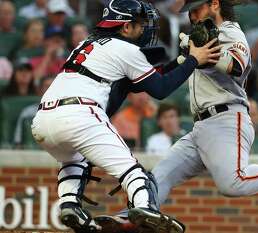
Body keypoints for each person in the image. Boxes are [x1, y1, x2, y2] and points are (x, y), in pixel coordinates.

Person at [102, 0, 258, 231]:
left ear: (214, 4)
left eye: (196, 8)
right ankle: (129, 217)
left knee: (232, 183)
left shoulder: (230, 31)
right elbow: (175, 69)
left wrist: (204, 52)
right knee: (159, 176)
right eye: (190, 11)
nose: (191, 16)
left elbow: (237, 66)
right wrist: (188, 56)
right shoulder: (204, 36)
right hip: (201, 127)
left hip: (226, 119)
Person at [31, 0, 221, 232]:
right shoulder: (125, 48)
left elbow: (134, 83)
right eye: (140, 24)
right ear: (125, 27)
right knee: (133, 172)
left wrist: (181, 61)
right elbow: (159, 90)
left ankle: (69, 204)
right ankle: (145, 207)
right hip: (80, 114)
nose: (145, 29)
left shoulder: (85, 44)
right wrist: (193, 60)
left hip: (43, 120)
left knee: (73, 159)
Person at [13, 76, 55, 148]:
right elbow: (18, 141)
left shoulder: (67, 112)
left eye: (53, 86)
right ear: (39, 90)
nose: (50, 89)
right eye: (47, 86)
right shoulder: (28, 112)